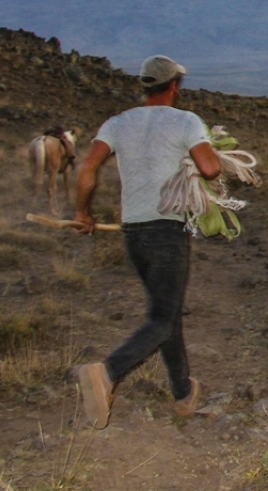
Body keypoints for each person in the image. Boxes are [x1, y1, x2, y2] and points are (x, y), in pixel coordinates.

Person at [71, 55, 222, 429]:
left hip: (133, 233)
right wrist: (200, 154)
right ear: (174, 86)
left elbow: (88, 169)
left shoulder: (117, 123)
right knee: (160, 319)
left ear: (145, 86)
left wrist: (83, 213)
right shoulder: (186, 121)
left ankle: (183, 393)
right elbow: (210, 168)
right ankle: (107, 373)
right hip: (166, 231)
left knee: (165, 314)